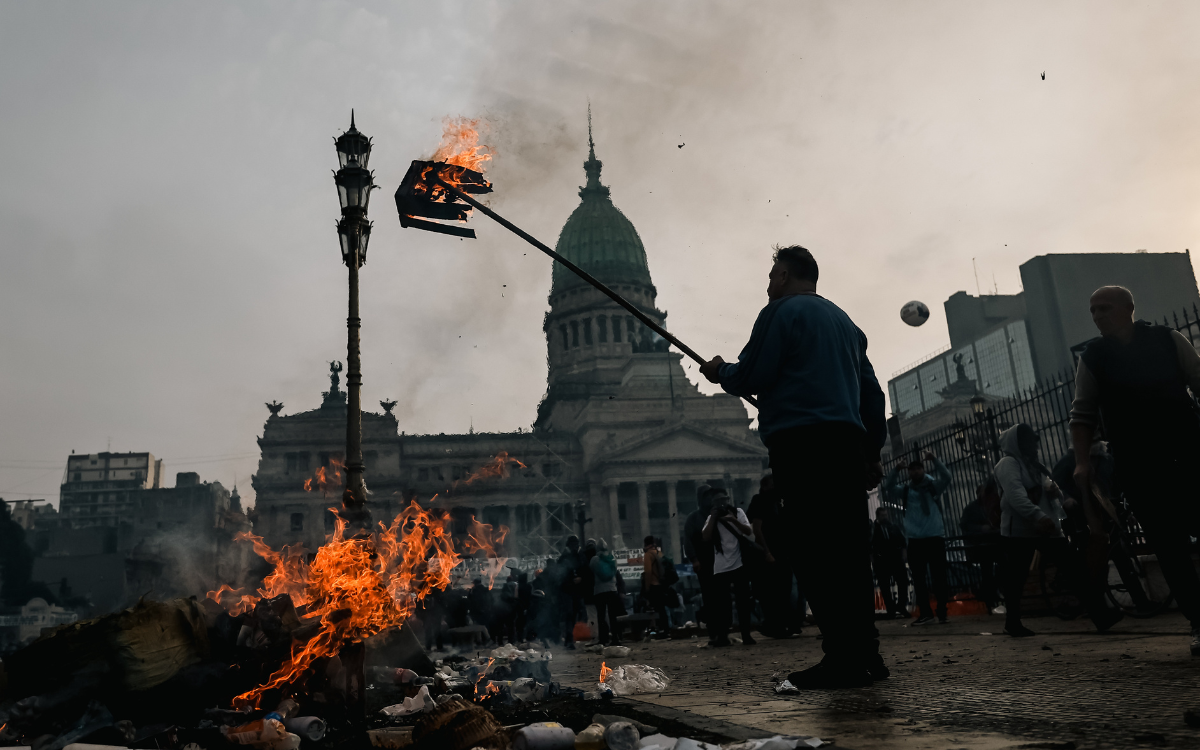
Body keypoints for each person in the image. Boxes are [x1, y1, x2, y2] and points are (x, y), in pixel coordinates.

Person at [700, 245, 887, 688]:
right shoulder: (847, 324)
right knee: (851, 555)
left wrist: (721, 370)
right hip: (845, 447)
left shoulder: (781, 313)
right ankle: (867, 656)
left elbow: (753, 376)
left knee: (815, 553)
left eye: (770, 276)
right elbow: (872, 395)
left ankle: (841, 658)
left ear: (783, 274)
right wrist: (872, 452)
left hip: (802, 447)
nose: (767, 286)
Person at [1070, 285, 1200, 656]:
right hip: (1138, 463)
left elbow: (1199, 379)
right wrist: (1082, 463)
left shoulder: (1166, 339)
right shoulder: (1093, 357)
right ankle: (1198, 620)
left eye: (1104, 308)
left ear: (1128, 308)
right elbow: (1083, 413)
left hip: (1188, 450)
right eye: (1092, 310)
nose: (1096, 316)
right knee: (1168, 545)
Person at [995, 423, 1122, 637]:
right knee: (1016, 578)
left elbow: (1052, 488)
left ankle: (1100, 615)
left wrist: (1056, 493)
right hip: (1019, 532)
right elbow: (1015, 496)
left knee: (1075, 569)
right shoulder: (1007, 464)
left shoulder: (1034, 465)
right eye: (1030, 443)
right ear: (1018, 445)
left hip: (1046, 528)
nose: (1035, 448)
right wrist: (1039, 515)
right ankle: (1013, 622)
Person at [885, 451, 952, 625]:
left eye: (918, 469)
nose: (914, 472)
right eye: (911, 469)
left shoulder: (932, 486)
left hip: (934, 536)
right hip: (916, 539)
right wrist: (896, 469)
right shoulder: (907, 491)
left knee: (939, 577)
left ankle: (942, 611)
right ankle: (926, 613)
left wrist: (935, 459)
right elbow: (889, 486)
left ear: (923, 470)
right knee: (920, 579)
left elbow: (947, 476)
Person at [701, 486, 757, 646]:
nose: (721, 504)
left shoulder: (738, 512)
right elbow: (705, 536)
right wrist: (713, 516)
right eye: (717, 501)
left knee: (743, 602)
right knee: (722, 605)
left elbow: (747, 531)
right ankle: (723, 636)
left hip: (739, 563)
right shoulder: (711, 517)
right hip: (720, 566)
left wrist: (732, 519)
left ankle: (746, 634)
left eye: (723, 500)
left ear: (728, 499)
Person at [748, 474, 802, 637]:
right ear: (765, 486)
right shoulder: (759, 500)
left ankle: (786, 624)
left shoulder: (778, 501)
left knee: (785, 590)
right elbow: (756, 528)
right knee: (773, 592)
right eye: (773, 484)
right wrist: (767, 552)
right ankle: (776, 625)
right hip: (770, 553)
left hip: (783, 552)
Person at [959, 480, 1003, 614]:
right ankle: (989, 597)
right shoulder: (972, 508)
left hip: (993, 543)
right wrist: (980, 529)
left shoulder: (991, 505)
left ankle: (990, 594)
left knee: (999, 568)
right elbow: (965, 526)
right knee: (987, 571)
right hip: (980, 546)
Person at [683, 485, 717, 636]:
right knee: (709, 595)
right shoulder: (694, 518)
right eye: (706, 496)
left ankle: (722, 626)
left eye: (711, 496)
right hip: (704, 562)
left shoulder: (718, 514)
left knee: (721, 595)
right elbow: (688, 541)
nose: (710, 499)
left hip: (722, 561)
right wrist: (694, 559)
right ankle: (713, 628)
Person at [870, 506, 909, 619]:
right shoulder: (874, 529)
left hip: (895, 558)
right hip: (882, 560)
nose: (885, 517)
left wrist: (903, 555)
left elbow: (902, 542)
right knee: (885, 586)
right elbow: (871, 546)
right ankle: (891, 609)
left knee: (902, 582)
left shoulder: (893, 527)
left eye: (886, 515)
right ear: (878, 516)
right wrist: (874, 561)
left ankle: (900, 606)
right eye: (883, 515)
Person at [590, 539, 624, 646]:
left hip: (599, 591)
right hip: (612, 589)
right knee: (612, 615)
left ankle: (603, 639)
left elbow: (591, 570)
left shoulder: (595, 559)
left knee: (601, 616)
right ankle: (615, 638)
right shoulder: (612, 558)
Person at [555, 536, 584, 649]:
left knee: (573, 615)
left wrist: (581, 578)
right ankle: (569, 639)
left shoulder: (579, 555)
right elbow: (560, 575)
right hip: (568, 590)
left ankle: (569, 638)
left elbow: (584, 569)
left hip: (575, 591)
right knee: (570, 615)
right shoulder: (564, 558)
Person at [641, 536, 670, 635]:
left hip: (653, 585)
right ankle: (665, 629)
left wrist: (647, 587)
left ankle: (658, 629)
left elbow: (648, 572)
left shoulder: (648, 555)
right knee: (662, 609)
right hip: (661, 584)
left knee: (653, 609)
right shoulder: (659, 553)